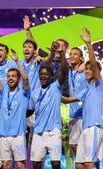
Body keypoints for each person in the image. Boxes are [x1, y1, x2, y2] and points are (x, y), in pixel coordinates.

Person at [62, 28, 103, 169]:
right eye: (86, 69)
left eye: (90, 69)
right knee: (79, 164)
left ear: (96, 72)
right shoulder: (86, 90)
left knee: (89, 163)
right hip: (86, 127)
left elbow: (92, 62)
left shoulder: (99, 84)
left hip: (94, 126)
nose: (87, 70)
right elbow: (67, 100)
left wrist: (88, 44)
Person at [28, 41, 68, 169]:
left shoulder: (56, 87)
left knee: (56, 163)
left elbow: (64, 71)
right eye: (41, 74)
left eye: (46, 74)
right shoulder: (34, 93)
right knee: (36, 164)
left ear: (51, 76)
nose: (43, 76)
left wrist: (61, 54)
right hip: (38, 132)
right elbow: (29, 111)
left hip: (54, 131)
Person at [0, 49, 29, 169]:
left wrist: (17, 62)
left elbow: (25, 79)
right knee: (5, 165)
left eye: (13, 76)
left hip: (18, 134)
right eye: (8, 76)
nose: (10, 78)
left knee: (20, 165)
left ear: (18, 79)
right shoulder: (4, 90)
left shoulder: (24, 92)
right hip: (3, 134)